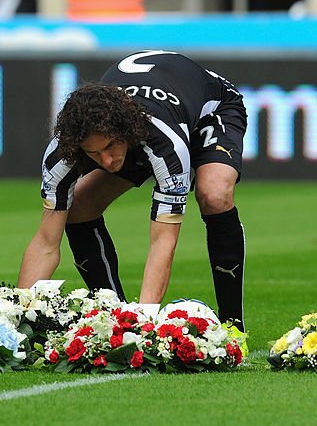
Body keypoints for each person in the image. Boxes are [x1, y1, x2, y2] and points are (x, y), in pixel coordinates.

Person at [18, 50, 247, 331]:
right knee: (78, 207)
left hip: (209, 112)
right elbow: (45, 243)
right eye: (94, 153)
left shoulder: (163, 142)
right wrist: (17, 317)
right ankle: (113, 316)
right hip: (139, 134)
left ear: (124, 133)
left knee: (214, 194)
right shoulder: (61, 156)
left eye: (110, 146)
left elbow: (163, 240)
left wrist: (144, 322)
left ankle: (233, 328)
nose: (106, 161)